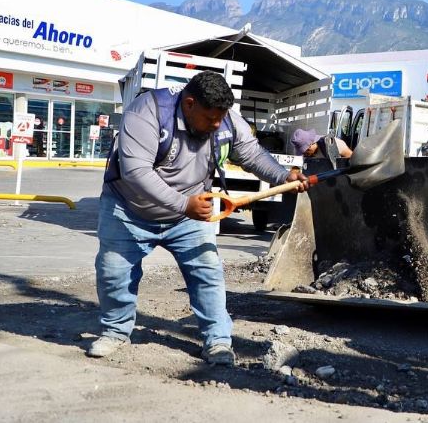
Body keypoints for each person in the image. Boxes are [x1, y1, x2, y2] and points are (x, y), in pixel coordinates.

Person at [89, 71, 308, 364]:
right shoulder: (146, 113)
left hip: (189, 213)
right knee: (113, 272)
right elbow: (136, 173)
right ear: (189, 103)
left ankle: (217, 341)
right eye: (210, 118)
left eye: (221, 118)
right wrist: (183, 205)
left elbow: (252, 155)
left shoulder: (227, 119)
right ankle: (115, 332)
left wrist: (284, 176)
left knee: (207, 273)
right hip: (130, 209)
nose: (216, 125)